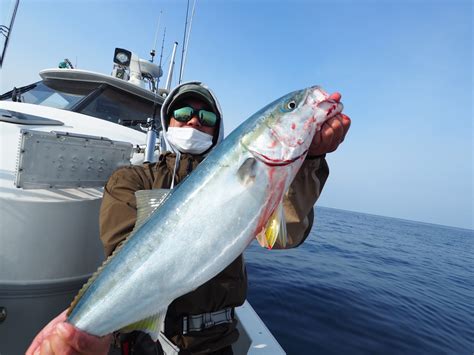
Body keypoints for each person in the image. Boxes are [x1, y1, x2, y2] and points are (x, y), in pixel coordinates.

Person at [27, 82, 351, 355]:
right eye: (182, 114)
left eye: (205, 116)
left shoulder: (266, 174)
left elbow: (281, 237)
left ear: (217, 128)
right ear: (169, 122)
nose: (193, 122)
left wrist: (312, 159)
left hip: (215, 342)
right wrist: (84, 324)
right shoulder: (133, 179)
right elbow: (123, 252)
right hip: (141, 339)